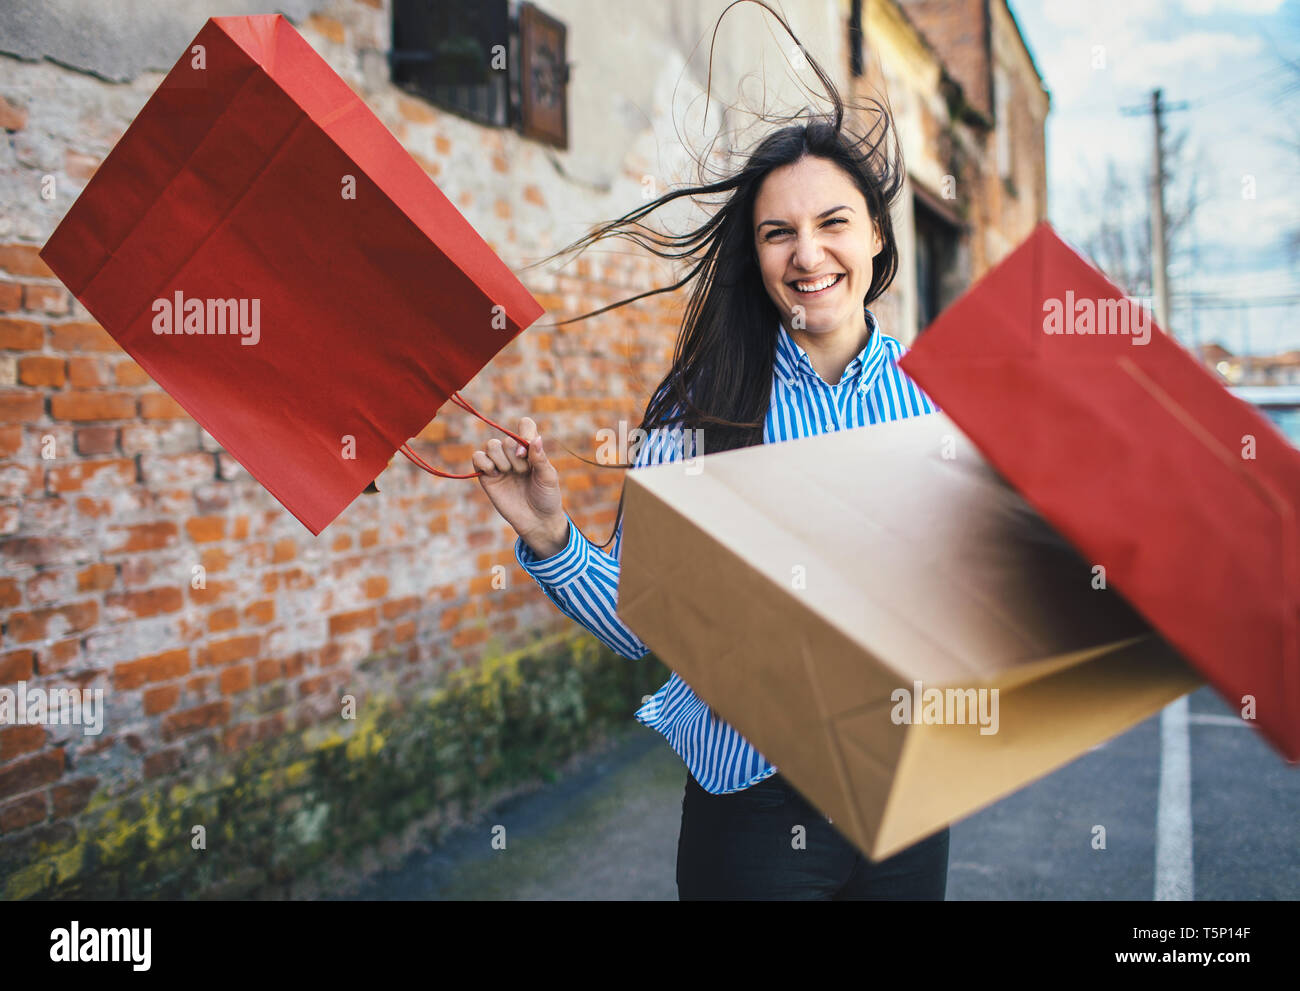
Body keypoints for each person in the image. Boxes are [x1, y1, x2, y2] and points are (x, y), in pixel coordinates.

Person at [470, 0, 948, 899]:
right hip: (758, 805)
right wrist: (549, 535)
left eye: (833, 222)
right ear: (758, 256)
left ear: (877, 236)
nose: (808, 252)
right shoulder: (709, 405)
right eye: (779, 232)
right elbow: (644, 618)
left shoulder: (938, 406)